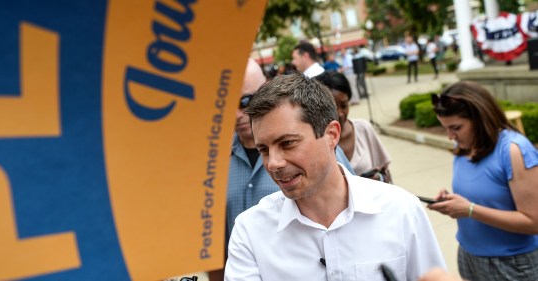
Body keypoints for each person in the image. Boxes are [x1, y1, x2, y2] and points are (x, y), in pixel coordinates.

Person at [224, 73, 446, 280]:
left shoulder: (402, 211)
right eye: (264, 149)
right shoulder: (249, 233)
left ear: (331, 135)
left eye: (287, 143)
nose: (273, 163)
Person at [208, 59, 354, 280]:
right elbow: (212, 242)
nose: (275, 163)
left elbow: (352, 214)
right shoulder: (211, 160)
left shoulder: (320, 148)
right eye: (264, 149)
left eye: (245, 101)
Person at [427, 81, 538, 281]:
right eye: (445, 128)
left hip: (511, 264)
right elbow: (482, 198)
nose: (450, 136)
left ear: (480, 118)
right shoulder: (464, 148)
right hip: (469, 257)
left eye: (456, 127)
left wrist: (470, 209)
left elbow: (534, 221)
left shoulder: (513, 150)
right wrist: (452, 203)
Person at [314, 71, 393, 183]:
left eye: (344, 105)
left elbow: (386, 173)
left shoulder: (363, 128)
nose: (340, 113)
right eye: (333, 108)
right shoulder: (314, 141)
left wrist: (378, 179)